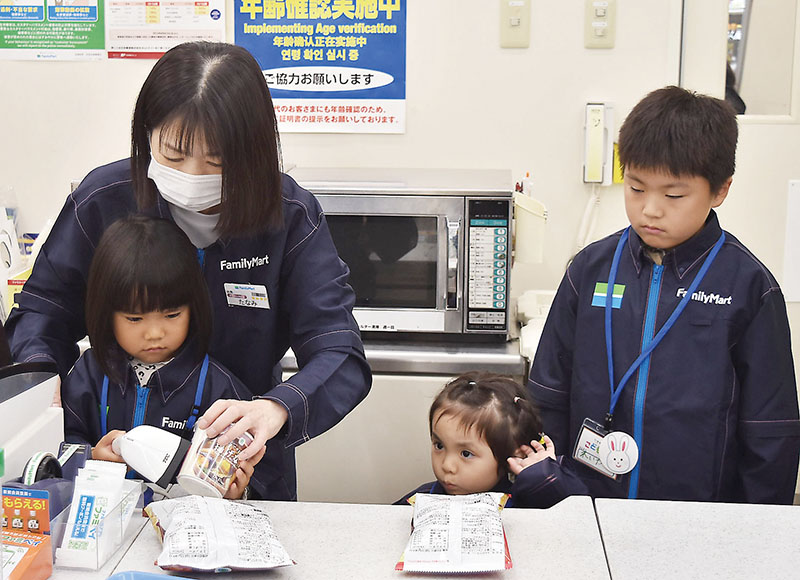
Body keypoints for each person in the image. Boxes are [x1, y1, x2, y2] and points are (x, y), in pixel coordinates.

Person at [5, 41, 372, 500]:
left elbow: (340, 353)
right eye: (174, 154)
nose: (195, 174)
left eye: (217, 160)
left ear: (253, 151)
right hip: (109, 463)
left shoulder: (289, 216)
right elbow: (43, 311)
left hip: (239, 463)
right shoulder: (105, 200)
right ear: (146, 132)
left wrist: (276, 410)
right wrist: (44, 396)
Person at [528, 86, 800, 504]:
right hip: (585, 502)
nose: (650, 209)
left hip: (698, 513)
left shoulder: (748, 287)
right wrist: (547, 493)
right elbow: (547, 394)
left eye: (673, 195)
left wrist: (754, 531)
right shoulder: (590, 270)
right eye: (636, 188)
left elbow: (771, 428)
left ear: (720, 190)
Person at [62, 216, 266, 499]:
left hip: (181, 531)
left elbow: (253, 476)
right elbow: (58, 451)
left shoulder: (218, 389)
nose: (155, 333)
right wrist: (90, 459)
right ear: (106, 313)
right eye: (135, 318)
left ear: (193, 309)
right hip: (101, 527)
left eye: (172, 315)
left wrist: (234, 493)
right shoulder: (88, 374)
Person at [396, 372, 587, 508]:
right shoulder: (422, 499)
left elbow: (579, 515)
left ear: (514, 455)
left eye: (466, 453)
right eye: (439, 445)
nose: (447, 465)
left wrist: (542, 475)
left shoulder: (526, 506)